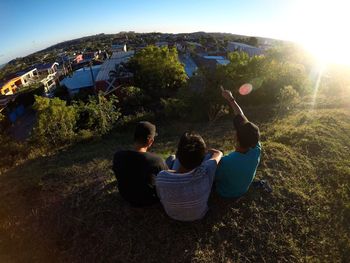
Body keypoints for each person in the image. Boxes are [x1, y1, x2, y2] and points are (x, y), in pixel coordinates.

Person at [156, 132, 223, 221]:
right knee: (209, 156)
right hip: (199, 215)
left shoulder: (162, 177)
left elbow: (160, 196)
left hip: (172, 215)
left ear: (179, 154)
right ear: (201, 160)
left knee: (172, 158)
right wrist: (207, 151)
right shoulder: (206, 171)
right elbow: (218, 154)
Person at [215, 87, 261, 198]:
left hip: (226, 193)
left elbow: (214, 176)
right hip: (243, 189)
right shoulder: (256, 148)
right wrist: (230, 99)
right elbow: (241, 116)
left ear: (236, 138)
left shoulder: (226, 162)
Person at [112, 121, 167, 207]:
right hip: (149, 200)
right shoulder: (156, 160)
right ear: (150, 141)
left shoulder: (118, 156)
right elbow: (167, 179)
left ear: (135, 137)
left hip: (127, 197)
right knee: (171, 160)